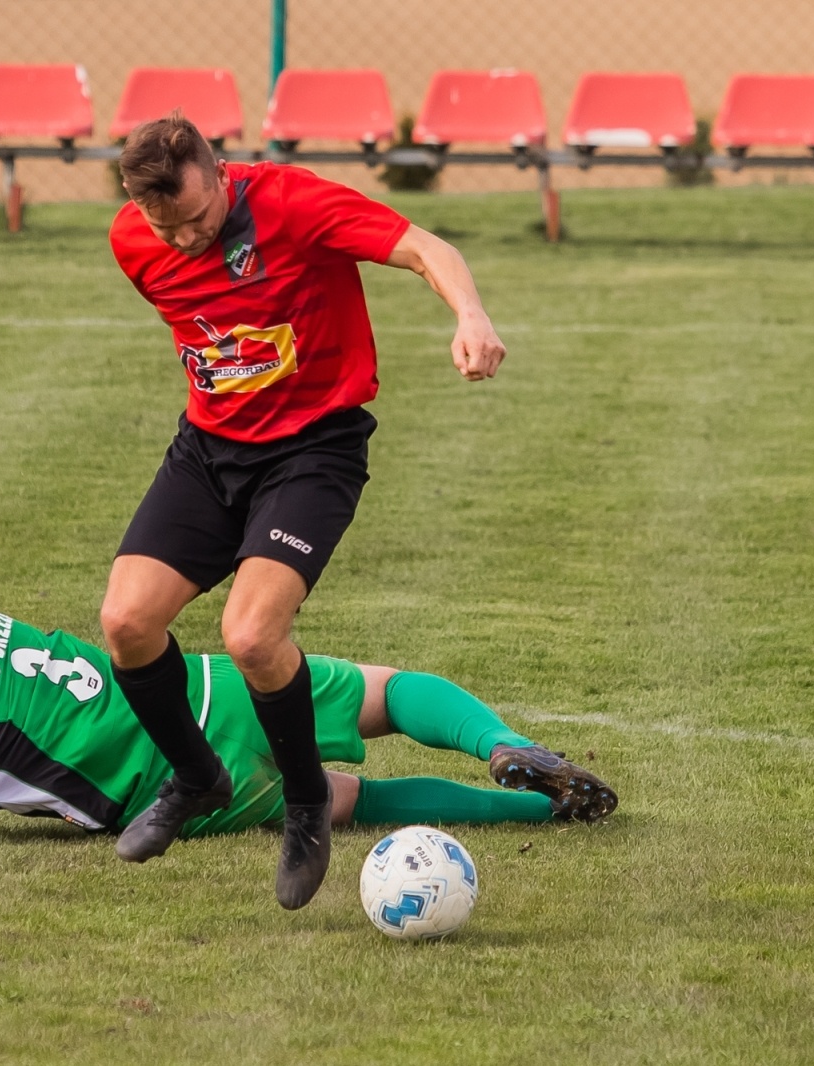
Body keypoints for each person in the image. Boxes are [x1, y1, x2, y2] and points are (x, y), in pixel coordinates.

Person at [102, 114, 509, 908]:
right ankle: (195, 778)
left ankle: (306, 802)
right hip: (209, 449)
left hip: (312, 452)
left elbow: (431, 249)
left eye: (197, 218)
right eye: (165, 225)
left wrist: (471, 314)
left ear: (222, 175)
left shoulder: (294, 204)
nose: (183, 239)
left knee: (252, 634)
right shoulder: (131, 241)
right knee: (125, 623)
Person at [0, 560, 616, 863]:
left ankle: (537, 807)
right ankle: (510, 747)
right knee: (386, 692)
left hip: (193, 783)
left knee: (341, 799)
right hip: (208, 686)